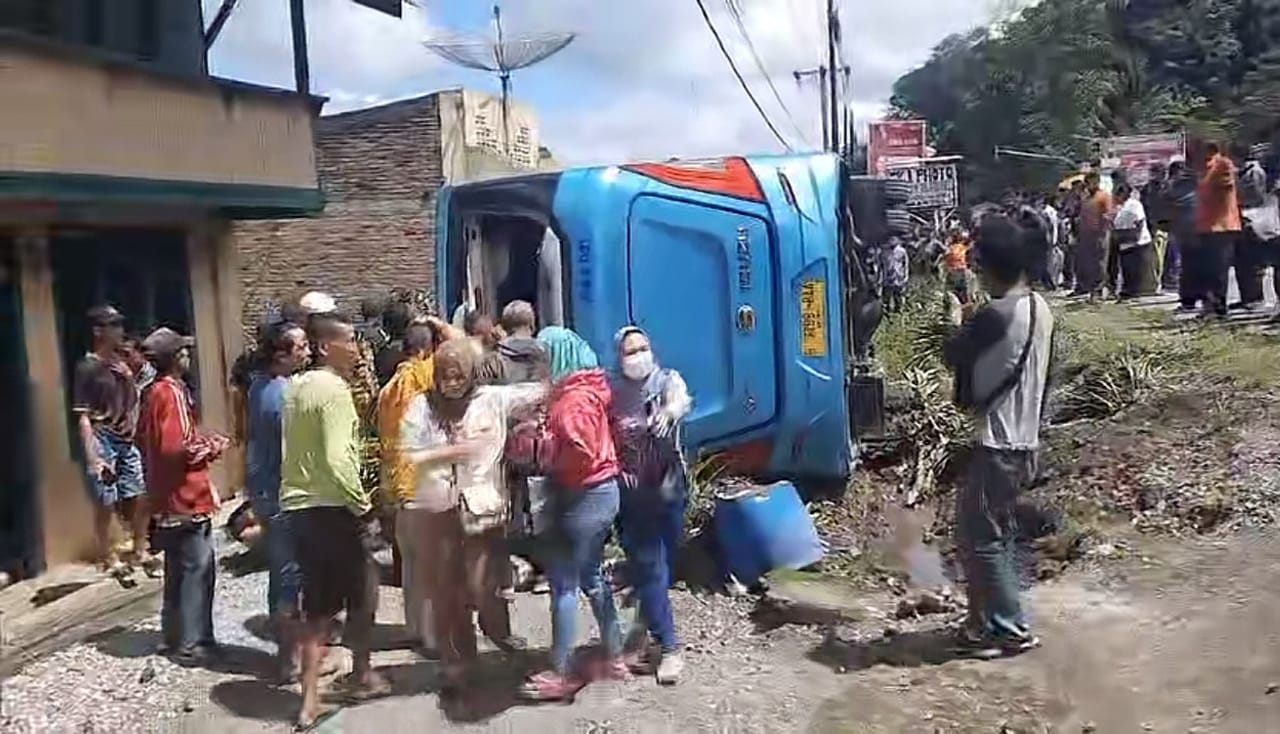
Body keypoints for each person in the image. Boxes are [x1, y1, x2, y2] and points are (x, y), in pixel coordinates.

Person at [399, 337, 544, 689]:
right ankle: (458, 662)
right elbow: (409, 452)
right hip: (437, 512)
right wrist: (452, 452)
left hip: (483, 511)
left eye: (458, 374)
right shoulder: (421, 407)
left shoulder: (490, 400)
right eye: (445, 375)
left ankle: (499, 636)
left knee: (483, 587)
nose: (451, 382)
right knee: (448, 594)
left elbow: (539, 393)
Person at [942, 213, 1053, 659]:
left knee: (981, 538)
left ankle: (1009, 627)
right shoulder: (1040, 308)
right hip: (1025, 442)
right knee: (992, 533)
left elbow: (955, 357)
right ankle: (981, 623)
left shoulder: (996, 314)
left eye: (980, 266)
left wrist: (954, 317)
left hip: (998, 445)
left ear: (992, 267)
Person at [280, 312, 387, 729]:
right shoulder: (335, 390)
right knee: (365, 596)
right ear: (326, 346)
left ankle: (308, 701)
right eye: (350, 341)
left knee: (317, 611)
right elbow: (338, 458)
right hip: (335, 508)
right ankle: (361, 674)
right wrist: (361, 504)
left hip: (301, 509)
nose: (357, 348)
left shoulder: (295, 388)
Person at [521, 326, 624, 701]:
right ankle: (614, 654)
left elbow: (580, 451)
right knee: (593, 577)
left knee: (563, 585)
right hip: (603, 493)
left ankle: (562, 672)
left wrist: (544, 449)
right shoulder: (589, 388)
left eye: (545, 357)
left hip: (584, 496)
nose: (542, 364)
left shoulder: (571, 401)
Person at [136, 327, 230, 664]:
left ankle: (173, 637)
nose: (188, 356)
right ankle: (194, 644)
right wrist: (213, 446)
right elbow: (177, 448)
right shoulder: (171, 393)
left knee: (176, 571)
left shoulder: (150, 393)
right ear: (176, 358)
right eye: (184, 352)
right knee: (198, 571)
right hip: (185, 497)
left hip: (164, 497)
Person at [611, 326, 691, 685]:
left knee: (659, 568)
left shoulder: (667, 380)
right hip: (632, 494)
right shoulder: (611, 392)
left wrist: (669, 413)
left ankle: (644, 626)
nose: (638, 355)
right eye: (630, 351)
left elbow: (681, 401)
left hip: (669, 488)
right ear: (619, 357)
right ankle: (670, 648)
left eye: (642, 347)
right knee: (651, 566)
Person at [244, 321, 311, 680]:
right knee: (290, 576)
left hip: (264, 488)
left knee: (281, 570)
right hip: (283, 492)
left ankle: (289, 651)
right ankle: (289, 658)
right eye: (299, 347)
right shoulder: (283, 395)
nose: (307, 351)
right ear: (281, 354)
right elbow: (293, 450)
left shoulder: (259, 384)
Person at [73, 305, 151, 574]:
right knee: (106, 500)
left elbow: (134, 400)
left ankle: (141, 548)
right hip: (102, 435)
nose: (120, 331)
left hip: (125, 437)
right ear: (98, 331)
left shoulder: (122, 362)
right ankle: (107, 554)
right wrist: (93, 457)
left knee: (139, 493)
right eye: (113, 326)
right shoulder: (88, 367)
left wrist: (129, 377)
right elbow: (82, 415)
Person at [375, 322, 438, 655]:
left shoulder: (388, 390)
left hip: (397, 488)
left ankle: (414, 628)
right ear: (427, 350)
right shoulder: (425, 378)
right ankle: (431, 637)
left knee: (411, 567)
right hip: (425, 486)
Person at [1192, 142, 1242, 317]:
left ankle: (1218, 307)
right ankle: (1209, 305)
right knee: (1206, 269)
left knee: (1218, 270)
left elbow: (1226, 184)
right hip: (1206, 226)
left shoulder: (1222, 164)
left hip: (1221, 226)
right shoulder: (1205, 167)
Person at [1236, 146, 1271, 310]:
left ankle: (1256, 299)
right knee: (1242, 262)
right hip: (1242, 218)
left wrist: (1239, 200)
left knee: (1254, 262)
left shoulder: (1254, 172)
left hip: (1253, 218)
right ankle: (1246, 298)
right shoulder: (1242, 172)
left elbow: (1256, 196)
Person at [1111, 182, 1157, 298]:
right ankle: (1128, 290)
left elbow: (1139, 223)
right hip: (1123, 242)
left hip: (1137, 242)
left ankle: (1140, 290)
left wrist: (1133, 235)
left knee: (1137, 269)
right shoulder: (1118, 207)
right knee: (1127, 269)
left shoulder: (1134, 205)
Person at [880, 238, 909, 314]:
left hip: (898, 277)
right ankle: (887, 313)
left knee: (898, 296)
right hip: (887, 278)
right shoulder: (885, 253)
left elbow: (905, 264)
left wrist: (906, 276)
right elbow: (881, 266)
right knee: (887, 297)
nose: (891, 241)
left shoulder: (902, 251)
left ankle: (899, 311)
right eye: (890, 240)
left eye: (893, 240)